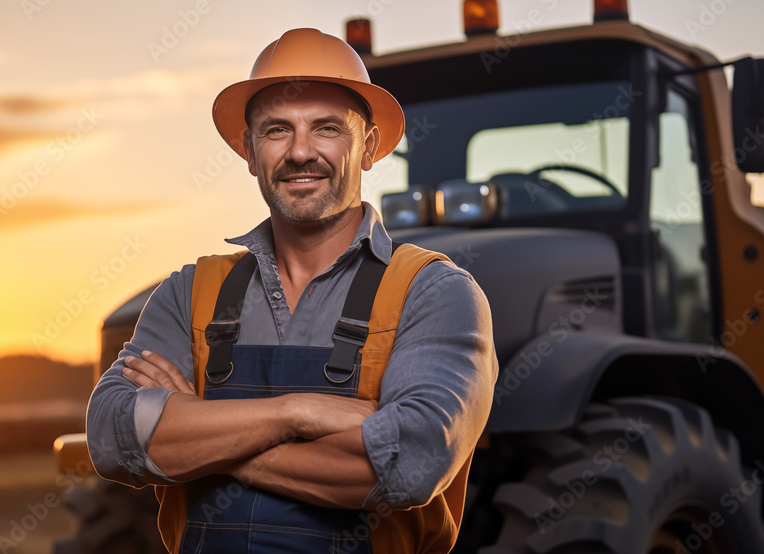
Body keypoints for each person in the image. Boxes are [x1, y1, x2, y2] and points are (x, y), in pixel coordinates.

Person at [86, 28, 498, 554]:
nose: (301, 151)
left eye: (327, 128)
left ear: (368, 147)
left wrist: (197, 434)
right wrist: (298, 413)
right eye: (277, 130)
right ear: (249, 151)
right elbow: (111, 439)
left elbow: (407, 464)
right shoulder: (188, 292)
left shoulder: (432, 293)